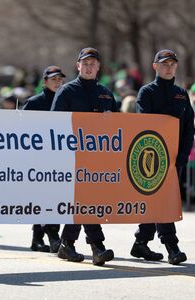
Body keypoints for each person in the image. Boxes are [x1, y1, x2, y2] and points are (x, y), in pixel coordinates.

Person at [51, 47, 115, 266]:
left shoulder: (106, 93)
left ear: (98, 67)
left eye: (93, 64)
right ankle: (97, 247)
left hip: (98, 159)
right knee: (86, 201)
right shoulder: (66, 91)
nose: (89, 67)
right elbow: (54, 125)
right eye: (85, 64)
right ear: (78, 66)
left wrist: (110, 121)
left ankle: (66, 244)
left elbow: (117, 128)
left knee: (86, 202)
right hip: (72, 157)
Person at [131, 49, 194, 265]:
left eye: (172, 64)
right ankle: (172, 247)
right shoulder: (146, 92)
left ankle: (141, 243)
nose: (169, 67)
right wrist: (171, 113)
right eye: (165, 64)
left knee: (156, 201)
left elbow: (189, 128)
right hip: (153, 158)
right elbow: (143, 123)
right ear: (155, 66)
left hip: (177, 158)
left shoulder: (182, 94)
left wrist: (184, 155)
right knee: (163, 201)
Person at [23, 66, 66, 253]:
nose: (57, 82)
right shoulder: (34, 102)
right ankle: (50, 236)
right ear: (45, 82)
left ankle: (39, 238)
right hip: (38, 158)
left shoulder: (66, 99)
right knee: (41, 198)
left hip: (60, 157)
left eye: (60, 79)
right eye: (53, 79)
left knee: (57, 197)